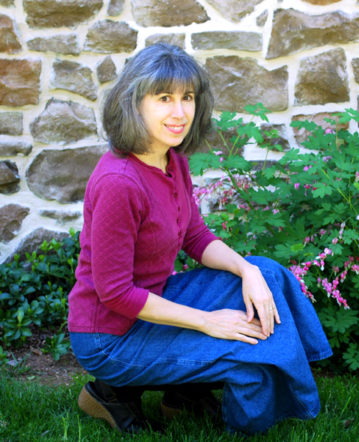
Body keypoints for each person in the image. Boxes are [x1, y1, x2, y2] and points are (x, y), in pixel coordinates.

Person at [67, 43, 332, 435]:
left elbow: (194, 235)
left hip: (153, 303)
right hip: (110, 337)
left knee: (267, 273)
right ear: (134, 103)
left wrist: (247, 270)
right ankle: (115, 390)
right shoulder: (118, 183)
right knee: (245, 351)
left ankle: (184, 393)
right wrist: (209, 322)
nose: (179, 112)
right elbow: (115, 293)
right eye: (164, 98)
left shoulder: (171, 158)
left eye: (187, 97)